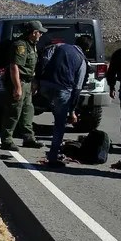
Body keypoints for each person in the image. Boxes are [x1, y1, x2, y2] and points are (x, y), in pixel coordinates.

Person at [36, 35, 93, 168]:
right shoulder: (82, 61)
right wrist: (72, 111)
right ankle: (53, 157)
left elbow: (44, 59)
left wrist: (38, 80)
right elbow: (77, 88)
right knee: (59, 124)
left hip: (45, 87)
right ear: (87, 49)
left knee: (50, 107)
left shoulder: (59, 46)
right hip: (62, 90)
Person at [0, 20, 46, 151]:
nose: (41, 35)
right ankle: (6, 140)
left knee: (28, 110)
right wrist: (17, 87)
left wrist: (34, 81)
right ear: (34, 32)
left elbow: (31, 66)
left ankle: (28, 138)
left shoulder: (32, 45)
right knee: (14, 111)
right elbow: (14, 67)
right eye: (40, 33)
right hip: (18, 82)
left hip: (28, 82)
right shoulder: (20, 46)